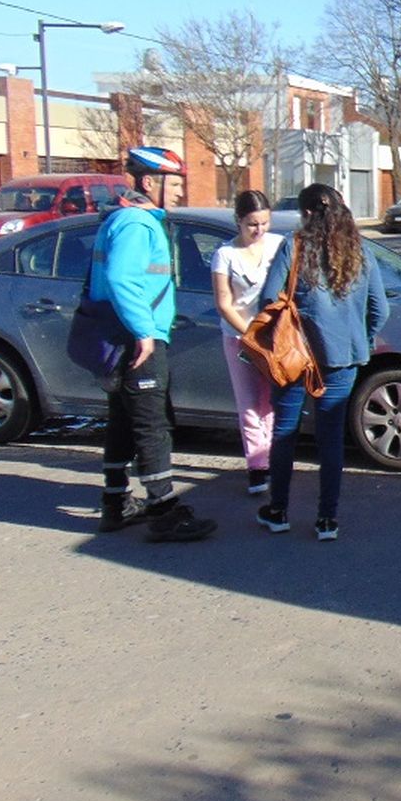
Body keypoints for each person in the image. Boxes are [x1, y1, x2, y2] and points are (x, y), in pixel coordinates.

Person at [93, 146, 217, 541]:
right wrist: (144, 331)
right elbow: (120, 278)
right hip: (137, 341)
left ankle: (116, 503)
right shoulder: (136, 223)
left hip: (120, 335)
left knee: (124, 421)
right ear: (150, 182)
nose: (181, 191)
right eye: (176, 183)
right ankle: (164, 512)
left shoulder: (122, 218)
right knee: (152, 424)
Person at [256, 184, 389, 542]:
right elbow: (380, 308)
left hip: (293, 356)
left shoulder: (294, 246)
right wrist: (363, 337)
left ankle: (278, 510)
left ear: (307, 214)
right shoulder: (360, 251)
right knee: (329, 438)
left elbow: (269, 298)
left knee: (284, 431)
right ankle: (327, 519)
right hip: (342, 357)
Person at [211, 189, 285, 495]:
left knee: (274, 401)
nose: (259, 231)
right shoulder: (225, 255)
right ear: (238, 221)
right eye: (252, 224)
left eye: (264, 223)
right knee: (251, 404)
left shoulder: (278, 245)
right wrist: (251, 335)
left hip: (277, 337)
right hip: (241, 337)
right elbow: (224, 303)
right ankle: (258, 467)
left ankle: (274, 458)